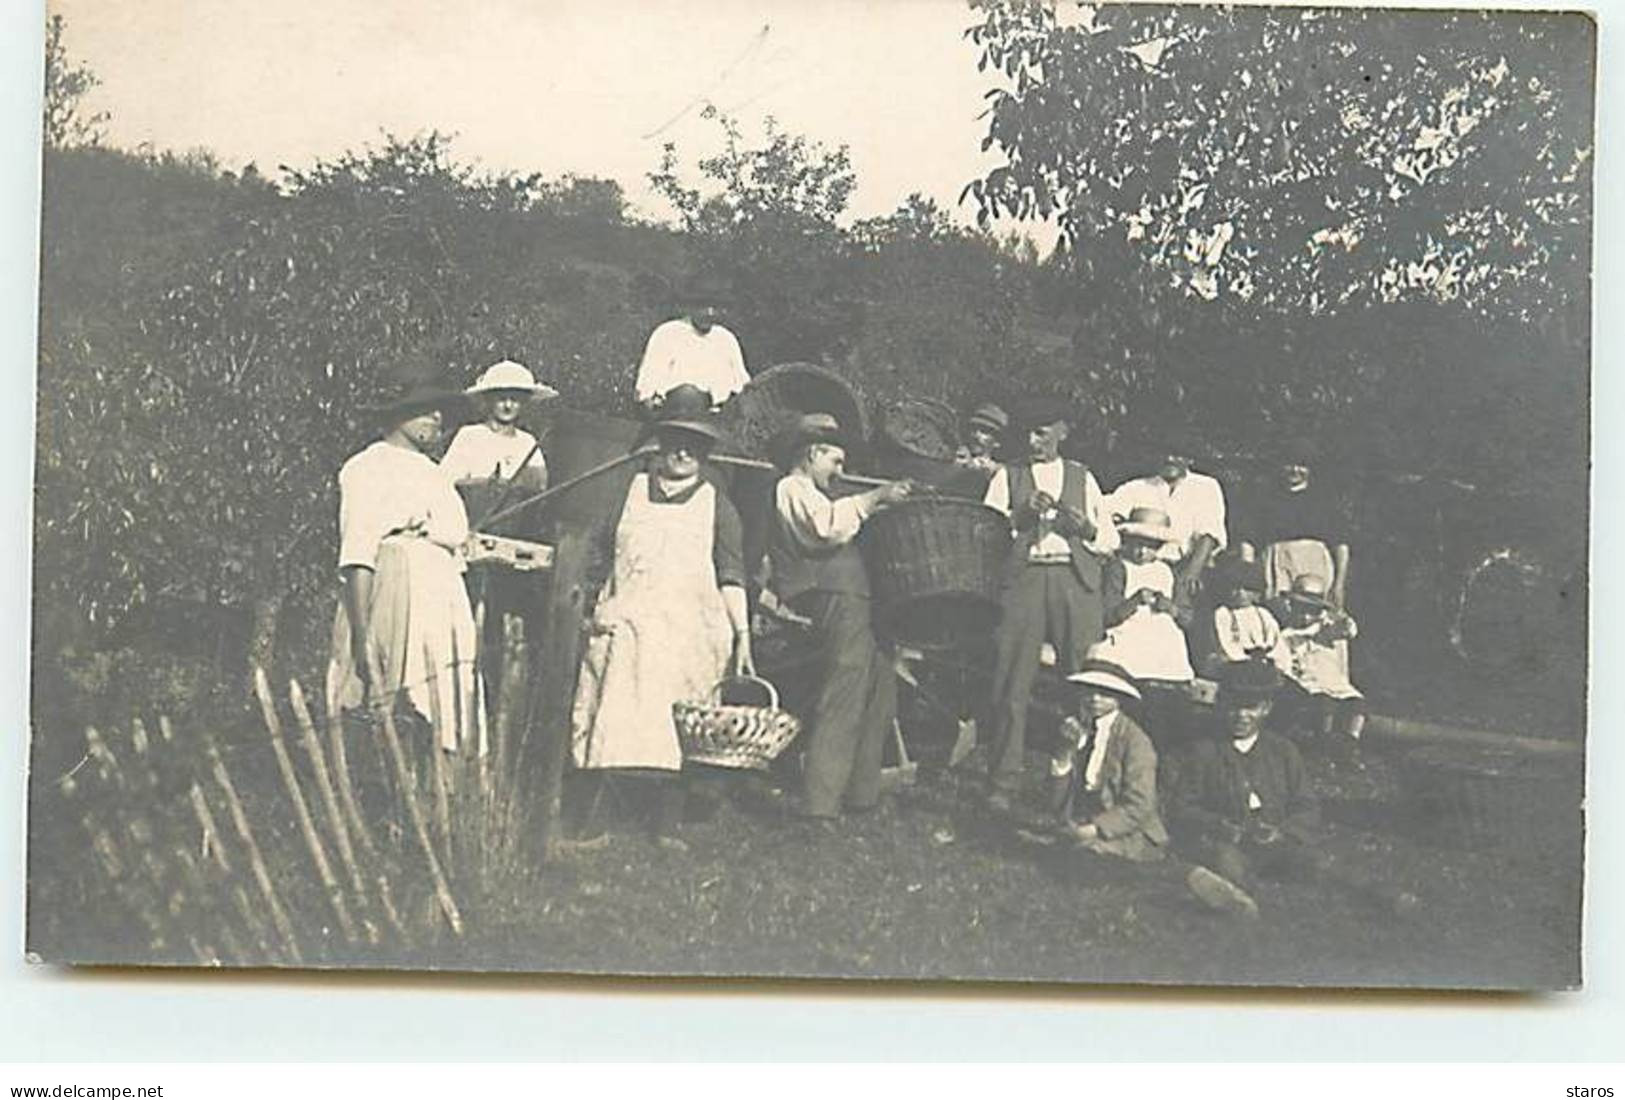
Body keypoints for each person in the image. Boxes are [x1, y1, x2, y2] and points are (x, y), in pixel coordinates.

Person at [569, 385, 754, 851]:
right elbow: (596, 554)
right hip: (627, 620)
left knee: (679, 723)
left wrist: (742, 636)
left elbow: (732, 574)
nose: (683, 451)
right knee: (607, 715)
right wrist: (590, 607)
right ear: (660, 441)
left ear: (707, 450)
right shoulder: (626, 491)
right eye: (675, 439)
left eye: (694, 443)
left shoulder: (718, 506)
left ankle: (666, 824)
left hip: (688, 630)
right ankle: (593, 823)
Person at [1175, 659, 1416, 918]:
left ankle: (1385, 896)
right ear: (1222, 707)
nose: (1241, 716)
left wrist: (1284, 832)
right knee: (1226, 862)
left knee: (1320, 864)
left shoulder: (1282, 751)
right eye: (1234, 707)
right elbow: (1181, 807)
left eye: (1251, 708)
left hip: (1277, 840)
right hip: (1230, 840)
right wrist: (1219, 826)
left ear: (1266, 708)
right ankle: (1236, 899)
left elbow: (1307, 805)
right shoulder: (1204, 751)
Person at [326, 376, 485, 755]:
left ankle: (440, 796)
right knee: (392, 709)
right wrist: (363, 636)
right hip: (396, 594)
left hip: (441, 600)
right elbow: (358, 555)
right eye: (423, 409)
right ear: (396, 416)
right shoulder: (367, 467)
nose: (436, 417)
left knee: (446, 702)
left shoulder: (435, 473)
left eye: (438, 410)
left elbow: (453, 538)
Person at [768, 413, 912, 824]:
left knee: (880, 685)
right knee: (846, 688)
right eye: (835, 460)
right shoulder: (792, 487)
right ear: (812, 453)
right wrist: (875, 498)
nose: (840, 471)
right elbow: (826, 528)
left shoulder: (815, 489)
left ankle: (861, 793)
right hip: (833, 591)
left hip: (859, 592)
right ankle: (820, 804)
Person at [982, 402, 1119, 811]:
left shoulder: (1082, 476)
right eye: (1028, 433)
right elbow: (985, 532)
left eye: (1042, 432)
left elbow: (1109, 540)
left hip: (1073, 581)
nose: (1033, 441)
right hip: (1025, 579)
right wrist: (1021, 515)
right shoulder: (1007, 475)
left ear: (1063, 433)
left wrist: (1085, 528)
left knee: (1083, 681)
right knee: (1011, 682)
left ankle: (1083, 782)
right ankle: (1002, 783)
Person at [1043, 658, 1169, 862]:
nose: (1095, 698)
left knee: (1087, 857)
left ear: (1119, 699)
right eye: (1089, 691)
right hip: (1085, 819)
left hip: (1130, 831)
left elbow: (1140, 804)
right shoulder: (1076, 729)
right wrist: (1064, 753)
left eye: (1105, 693)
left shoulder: (1135, 741)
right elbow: (1057, 799)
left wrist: (1096, 828)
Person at [1108, 436, 1228, 602]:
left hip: (1185, 566)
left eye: (1177, 455)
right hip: (1139, 566)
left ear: (1189, 459)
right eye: (1165, 454)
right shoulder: (1136, 487)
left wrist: (1192, 572)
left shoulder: (1206, 486)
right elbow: (1109, 516)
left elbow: (1210, 533)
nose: (1169, 459)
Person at [1239, 435, 1351, 605]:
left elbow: (1340, 545)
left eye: (1302, 465)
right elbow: (1248, 542)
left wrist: (1339, 585)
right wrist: (1247, 581)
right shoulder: (1264, 499)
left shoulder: (1325, 501)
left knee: (1316, 617)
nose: (1295, 470)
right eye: (1289, 464)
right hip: (1277, 568)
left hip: (1316, 567)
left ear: (1310, 469)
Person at [1099, 507, 1195, 686]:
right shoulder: (1119, 568)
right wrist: (1135, 601)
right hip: (1128, 637)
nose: (1142, 552)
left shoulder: (1167, 572)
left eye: (1149, 546)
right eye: (1137, 544)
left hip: (1163, 642)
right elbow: (1107, 615)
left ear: (1159, 546)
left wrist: (1170, 608)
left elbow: (1187, 617)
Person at [1270, 573, 1366, 748]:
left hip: (1330, 678)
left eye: (1312, 611)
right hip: (1308, 680)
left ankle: (1351, 742)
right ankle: (1324, 738)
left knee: (1356, 705)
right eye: (1301, 610)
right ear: (1291, 606)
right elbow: (1283, 660)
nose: (1306, 617)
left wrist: (1339, 618)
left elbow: (1347, 630)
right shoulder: (1287, 634)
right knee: (1324, 703)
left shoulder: (1324, 629)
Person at [633, 275, 750, 410]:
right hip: (677, 416)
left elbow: (744, 389)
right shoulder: (668, 334)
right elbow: (646, 390)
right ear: (690, 307)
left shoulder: (726, 339)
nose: (710, 313)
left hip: (719, 421)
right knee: (687, 395)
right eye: (703, 306)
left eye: (715, 307)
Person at [439, 359, 558, 490]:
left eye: (514, 400)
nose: (508, 406)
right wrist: (485, 484)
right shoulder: (470, 436)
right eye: (501, 399)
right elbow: (445, 481)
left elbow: (540, 485)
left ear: (523, 403)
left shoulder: (527, 442)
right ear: (489, 400)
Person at [1196, 553, 1282, 677]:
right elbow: (1226, 644)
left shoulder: (1264, 615)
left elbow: (1276, 642)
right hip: (1235, 666)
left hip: (1264, 664)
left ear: (1257, 594)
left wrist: (1270, 660)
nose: (1240, 593)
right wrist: (1246, 660)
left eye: (1247, 589)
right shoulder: (1223, 614)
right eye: (1235, 588)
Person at [954, 403, 1009, 472]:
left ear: (997, 442)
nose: (976, 434)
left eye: (984, 431)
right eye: (974, 429)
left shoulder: (1001, 471)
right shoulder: (957, 460)